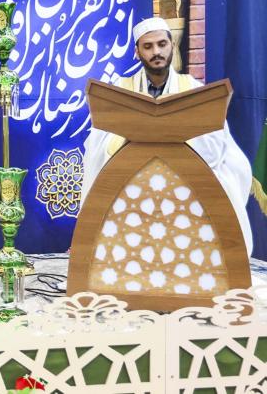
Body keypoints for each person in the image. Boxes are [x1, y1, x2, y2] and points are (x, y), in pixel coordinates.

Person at [82, 16, 254, 255]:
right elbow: (99, 144)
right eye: (148, 46)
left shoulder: (193, 90)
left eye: (162, 44)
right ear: (137, 52)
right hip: (133, 184)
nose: (156, 52)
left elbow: (217, 146)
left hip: (182, 184)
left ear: (172, 46)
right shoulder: (120, 92)